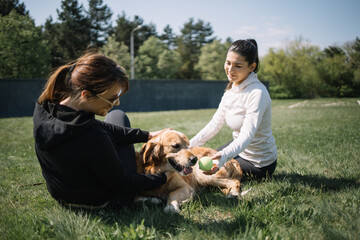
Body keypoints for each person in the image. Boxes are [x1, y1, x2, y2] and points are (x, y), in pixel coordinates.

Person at [33, 52, 169, 210]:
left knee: (116, 115)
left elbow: (101, 126)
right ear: (86, 95)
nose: (117, 102)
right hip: (102, 201)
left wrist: (148, 135)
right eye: (112, 98)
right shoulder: (93, 136)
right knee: (118, 119)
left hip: (63, 196)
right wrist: (163, 177)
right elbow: (123, 183)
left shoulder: (46, 109)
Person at [189, 39, 277, 180]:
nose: (230, 69)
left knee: (202, 171)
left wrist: (223, 156)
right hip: (239, 150)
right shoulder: (230, 91)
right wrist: (188, 146)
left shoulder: (257, 93)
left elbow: (246, 136)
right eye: (228, 63)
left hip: (258, 163)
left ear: (251, 67)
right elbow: (214, 125)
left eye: (238, 66)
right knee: (198, 161)